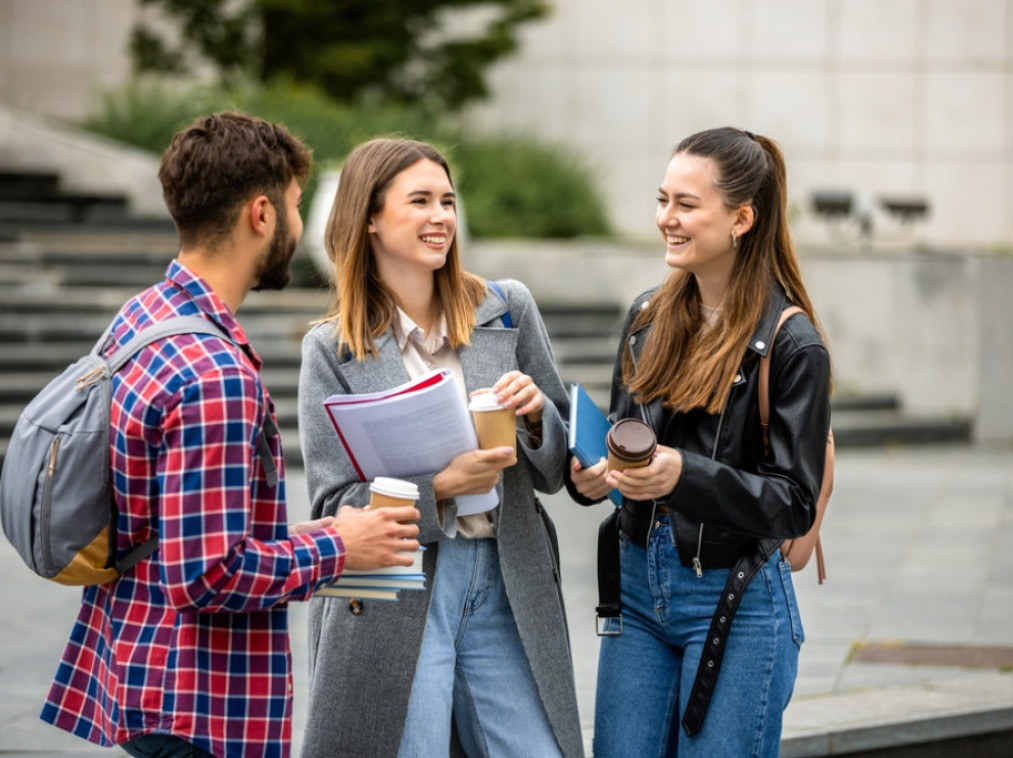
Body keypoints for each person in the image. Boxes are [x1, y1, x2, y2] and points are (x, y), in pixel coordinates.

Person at [40, 112, 421, 758]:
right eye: (297, 208)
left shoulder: (146, 317)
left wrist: (306, 538)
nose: (300, 229)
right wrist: (338, 545)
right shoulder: (215, 376)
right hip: (200, 710)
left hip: (139, 667)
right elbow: (209, 575)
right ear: (261, 215)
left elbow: (177, 527)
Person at [298, 137, 584, 758]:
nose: (442, 218)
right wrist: (440, 489)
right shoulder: (331, 348)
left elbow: (560, 466)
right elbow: (333, 503)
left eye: (448, 201)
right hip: (399, 587)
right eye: (420, 201)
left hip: (508, 576)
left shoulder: (505, 309)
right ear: (369, 217)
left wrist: (536, 418)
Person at [568, 127, 832, 757]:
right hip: (635, 587)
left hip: (735, 598)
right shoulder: (646, 319)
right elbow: (627, 444)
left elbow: (795, 501)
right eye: (662, 200)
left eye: (686, 205)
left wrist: (681, 475)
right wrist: (598, 477)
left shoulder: (793, 344)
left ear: (741, 218)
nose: (666, 219)